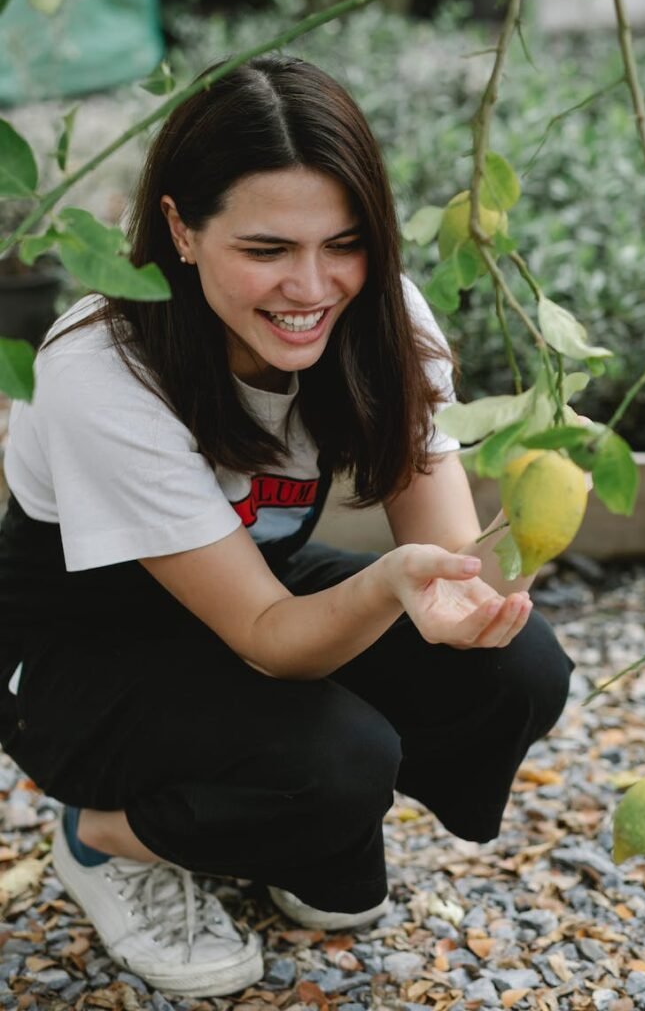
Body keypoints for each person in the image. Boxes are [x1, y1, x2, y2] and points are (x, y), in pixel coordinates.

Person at [0, 56, 573, 999]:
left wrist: (469, 585)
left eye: (343, 243)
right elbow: (272, 641)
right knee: (338, 764)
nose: (311, 287)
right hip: (79, 649)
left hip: (251, 598)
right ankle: (107, 835)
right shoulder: (104, 365)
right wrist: (389, 587)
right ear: (181, 228)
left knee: (518, 670)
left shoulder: (379, 317)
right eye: (266, 250)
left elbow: (448, 561)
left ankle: (284, 810)